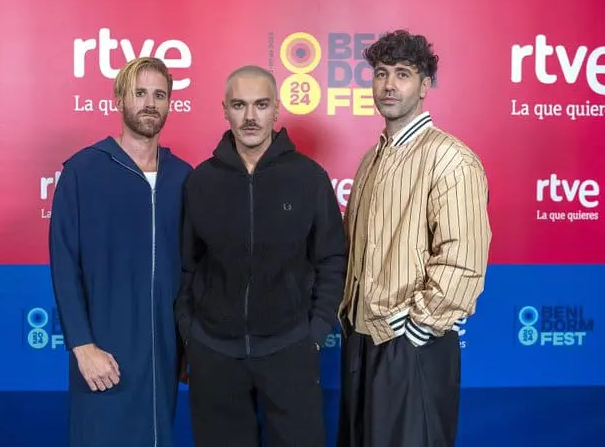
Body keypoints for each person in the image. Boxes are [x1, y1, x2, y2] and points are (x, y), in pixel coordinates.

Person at [174, 65, 347, 447]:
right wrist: (191, 334)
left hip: (289, 349)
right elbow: (187, 266)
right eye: (239, 105)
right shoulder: (201, 181)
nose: (250, 116)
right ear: (225, 109)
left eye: (261, 105)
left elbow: (332, 259)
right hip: (215, 353)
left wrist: (315, 332)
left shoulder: (309, 178)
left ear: (276, 109)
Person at [336, 30, 492, 447]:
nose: (389, 84)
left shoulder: (450, 157)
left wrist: (418, 327)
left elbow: (463, 257)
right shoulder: (371, 159)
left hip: (411, 345)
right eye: (381, 73)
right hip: (363, 340)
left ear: (424, 86)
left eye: (402, 74)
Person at [49, 56, 192, 447]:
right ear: (118, 99)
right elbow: (65, 264)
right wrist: (83, 346)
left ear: (170, 103)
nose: (150, 103)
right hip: (103, 350)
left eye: (159, 95)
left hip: (164, 353)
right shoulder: (83, 171)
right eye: (140, 93)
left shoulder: (183, 177)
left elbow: (193, 270)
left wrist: (188, 345)